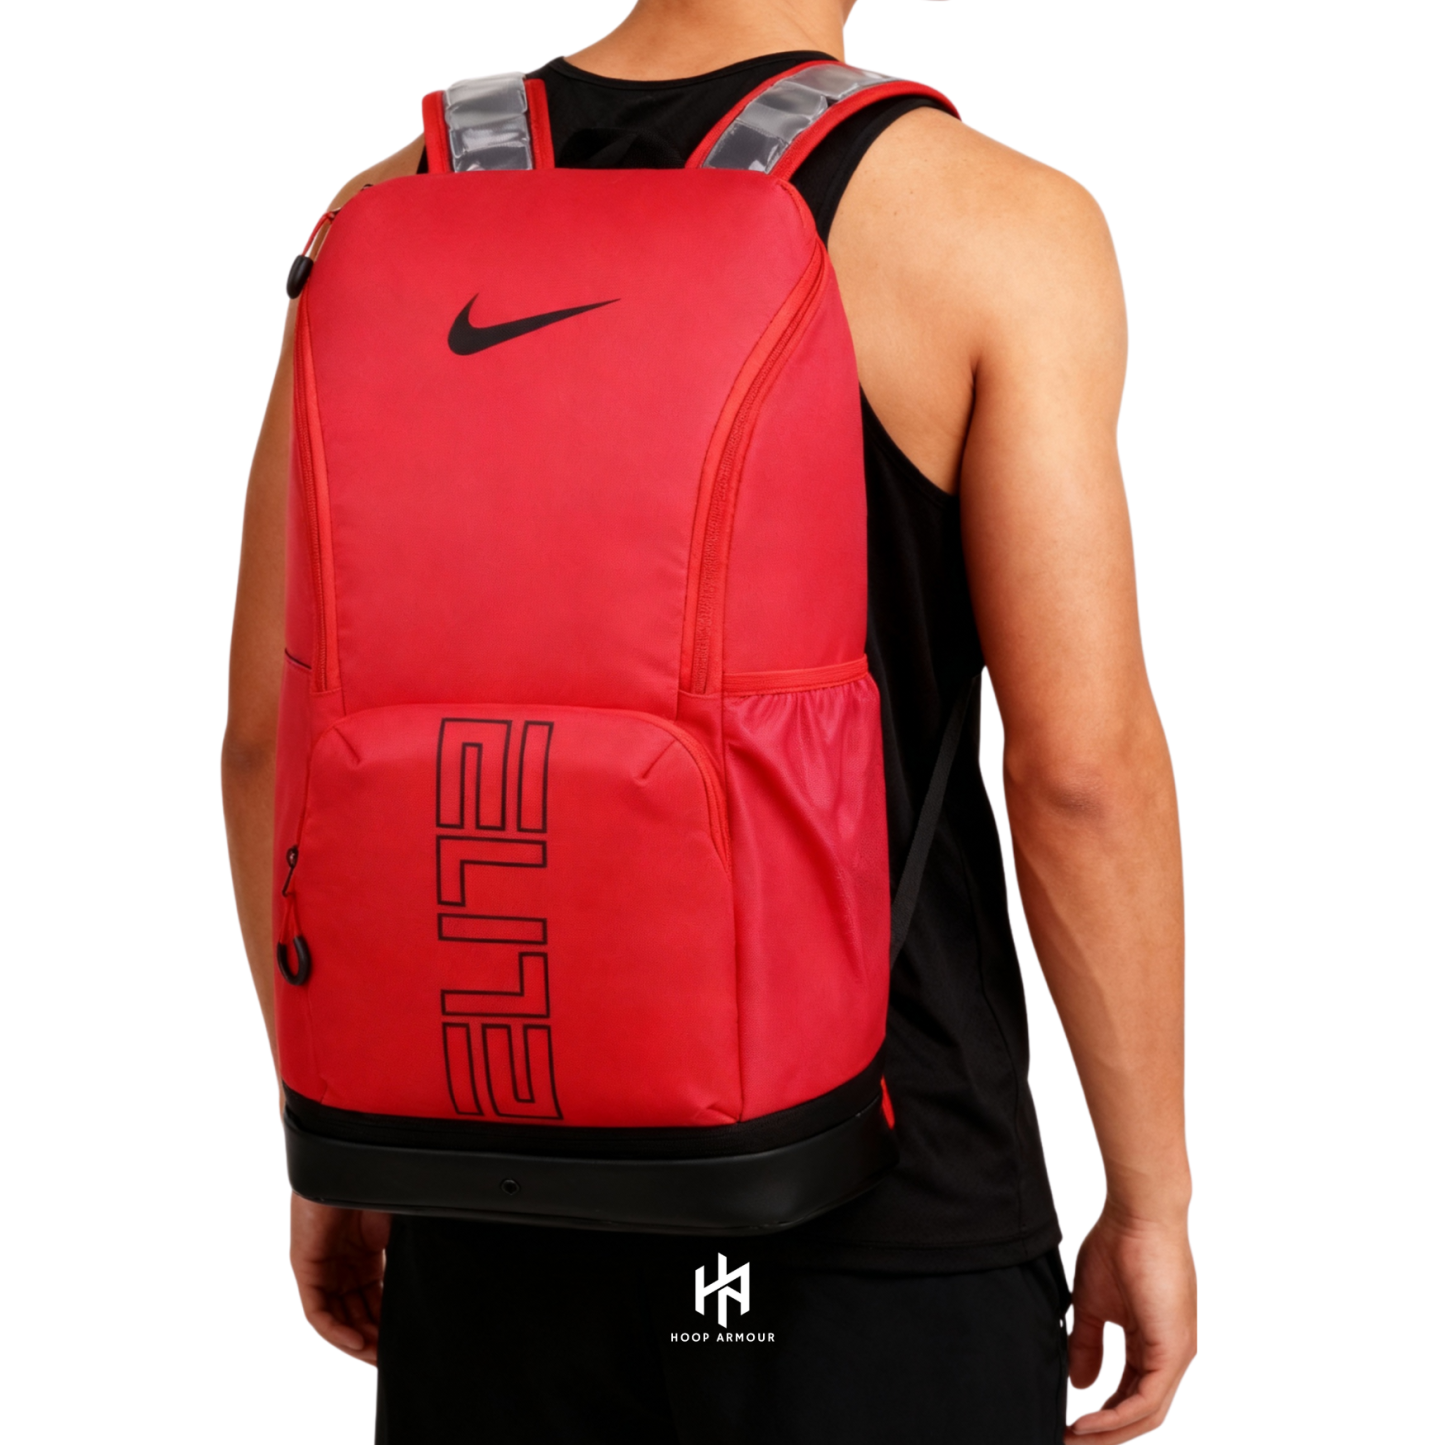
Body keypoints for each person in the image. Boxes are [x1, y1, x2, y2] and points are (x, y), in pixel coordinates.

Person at [222, 2, 1196, 1440]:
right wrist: (1152, 1197)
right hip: (880, 1203)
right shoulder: (993, 227)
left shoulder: (393, 206)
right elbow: (1081, 778)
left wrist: (337, 1131)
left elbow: (271, 739)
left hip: (486, 1186)